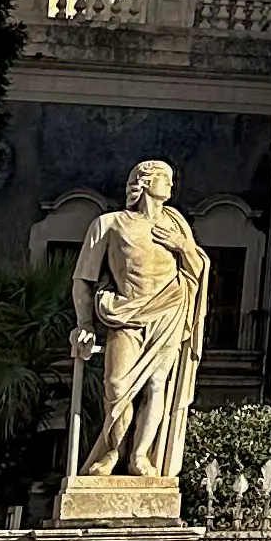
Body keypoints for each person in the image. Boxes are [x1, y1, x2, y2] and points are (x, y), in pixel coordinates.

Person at [70, 160, 209, 483]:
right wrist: (85, 323)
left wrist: (183, 246)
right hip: (125, 315)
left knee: (157, 385)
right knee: (117, 387)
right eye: (165, 178)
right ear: (145, 182)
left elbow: (198, 270)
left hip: (169, 311)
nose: (171, 184)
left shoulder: (177, 225)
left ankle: (140, 456)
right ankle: (111, 452)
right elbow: (83, 279)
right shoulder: (109, 224)